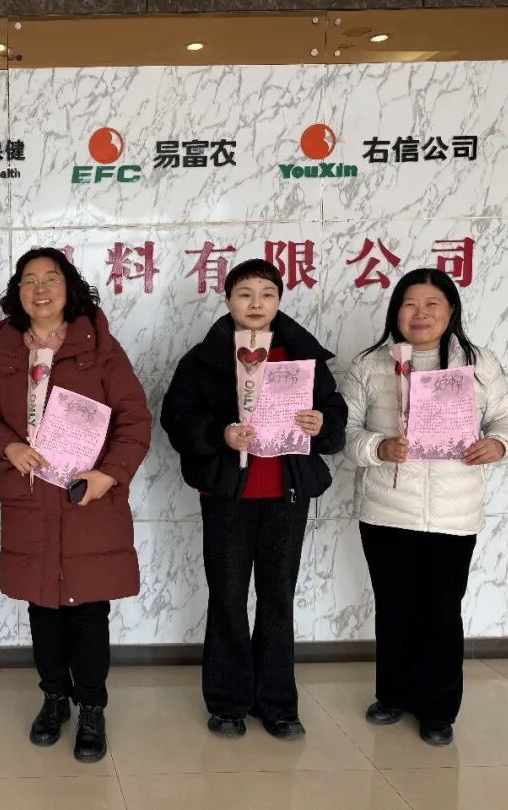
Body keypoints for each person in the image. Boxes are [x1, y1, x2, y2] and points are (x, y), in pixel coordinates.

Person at [0, 247, 151, 763]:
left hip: (86, 498)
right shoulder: (1, 349)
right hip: (30, 500)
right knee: (43, 609)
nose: (40, 289)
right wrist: (8, 446)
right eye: (29, 280)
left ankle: (91, 707)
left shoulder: (100, 347)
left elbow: (135, 419)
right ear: (17, 293)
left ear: (69, 287)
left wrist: (108, 476)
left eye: (51, 278)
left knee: (89, 610)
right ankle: (54, 699)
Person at [161, 259, 347, 740]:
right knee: (227, 596)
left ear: (280, 300)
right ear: (227, 301)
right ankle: (227, 703)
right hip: (228, 495)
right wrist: (220, 433)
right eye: (244, 293)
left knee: (277, 597)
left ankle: (278, 704)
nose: (256, 303)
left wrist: (321, 423)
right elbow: (177, 417)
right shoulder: (204, 359)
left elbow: (334, 413)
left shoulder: (301, 356)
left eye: (267, 293)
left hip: (287, 493)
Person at [344, 267, 508, 746]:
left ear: (451, 311)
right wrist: (378, 447)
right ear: (395, 312)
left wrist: (499, 444)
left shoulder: (477, 364)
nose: (420, 314)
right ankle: (392, 696)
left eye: (431, 305)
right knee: (394, 609)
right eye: (409, 304)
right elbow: (345, 434)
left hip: (452, 514)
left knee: (442, 613)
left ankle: (438, 710)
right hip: (386, 510)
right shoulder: (370, 365)